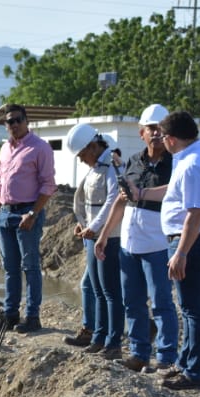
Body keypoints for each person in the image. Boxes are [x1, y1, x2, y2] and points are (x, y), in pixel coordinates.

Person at [143, 111, 200, 391]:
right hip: (193, 240)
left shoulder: (192, 164)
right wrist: (141, 193)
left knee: (193, 310)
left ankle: (195, 373)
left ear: (172, 138)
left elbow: (196, 213)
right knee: (189, 309)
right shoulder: (193, 156)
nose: (161, 141)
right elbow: (175, 193)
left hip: (193, 242)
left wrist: (181, 253)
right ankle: (187, 364)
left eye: (163, 137)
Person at [96, 104, 178, 373]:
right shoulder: (132, 162)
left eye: (161, 128)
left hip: (158, 242)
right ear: (141, 132)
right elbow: (121, 202)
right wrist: (105, 235)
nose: (156, 133)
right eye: (151, 128)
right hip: (130, 242)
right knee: (132, 301)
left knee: (161, 302)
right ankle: (139, 352)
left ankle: (166, 357)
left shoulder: (176, 164)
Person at [0, 104, 56, 333]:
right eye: (9, 122)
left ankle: (33, 317)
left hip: (27, 212)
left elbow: (48, 185)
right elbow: (1, 183)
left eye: (18, 120)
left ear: (26, 121)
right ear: (5, 126)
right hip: (6, 213)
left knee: (30, 266)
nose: (14, 125)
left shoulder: (40, 148)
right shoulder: (5, 148)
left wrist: (33, 214)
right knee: (10, 268)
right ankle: (10, 314)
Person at [65, 122, 124, 358]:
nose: (81, 160)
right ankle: (99, 337)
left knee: (111, 291)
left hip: (109, 236)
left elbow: (112, 200)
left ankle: (113, 342)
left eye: (81, 155)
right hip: (92, 236)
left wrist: (95, 227)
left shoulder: (112, 165)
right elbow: (87, 201)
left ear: (92, 146)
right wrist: (83, 223)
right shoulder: (96, 167)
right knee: (98, 290)